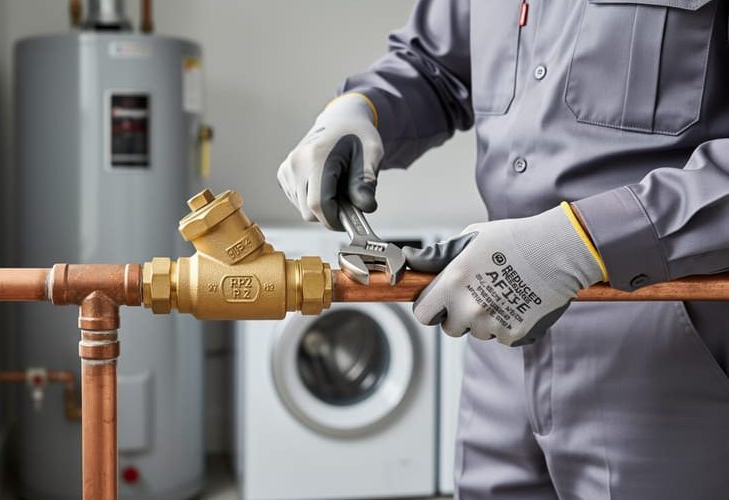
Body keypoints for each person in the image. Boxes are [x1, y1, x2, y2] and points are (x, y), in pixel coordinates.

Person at [277, 1, 729, 498]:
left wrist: (580, 243)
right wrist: (360, 108)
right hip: (498, 329)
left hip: (666, 341)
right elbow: (435, 66)